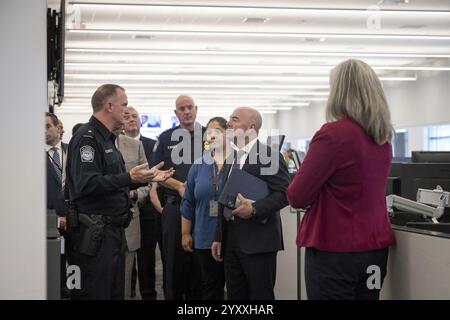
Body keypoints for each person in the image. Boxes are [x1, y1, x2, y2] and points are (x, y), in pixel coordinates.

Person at [286, 59, 395, 300]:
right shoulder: (383, 137)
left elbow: (296, 196)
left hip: (335, 250)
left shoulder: (332, 135)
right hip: (375, 249)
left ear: (339, 92)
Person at [65, 84, 174, 300]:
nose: (127, 110)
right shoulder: (87, 138)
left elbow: (111, 183)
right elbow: (86, 184)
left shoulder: (108, 139)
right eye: (123, 105)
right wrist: (129, 178)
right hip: (95, 235)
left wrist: (143, 179)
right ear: (109, 106)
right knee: (97, 293)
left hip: (113, 232)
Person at [211, 107, 290, 300]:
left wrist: (255, 209)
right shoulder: (231, 157)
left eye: (235, 120)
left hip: (258, 243)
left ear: (251, 127)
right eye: (230, 119)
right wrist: (219, 236)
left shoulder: (269, 155)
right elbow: (224, 199)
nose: (229, 123)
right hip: (231, 243)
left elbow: (284, 194)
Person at [151, 95, 205, 300]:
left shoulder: (210, 136)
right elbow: (155, 172)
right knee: (173, 264)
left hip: (203, 209)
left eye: (190, 107)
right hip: (175, 206)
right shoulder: (165, 138)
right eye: (181, 108)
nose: (186, 111)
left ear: (196, 109)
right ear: (176, 113)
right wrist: (180, 186)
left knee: (202, 264)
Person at [180, 117, 228, 300]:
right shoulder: (199, 165)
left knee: (237, 288)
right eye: (209, 132)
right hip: (204, 236)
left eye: (217, 131)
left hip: (232, 238)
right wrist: (185, 233)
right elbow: (188, 201)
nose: (212, 135)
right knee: (210, 288)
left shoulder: (238, 162)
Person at [123, 106, 162, 300]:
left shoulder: (153, 145)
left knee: (147, 259)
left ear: (141, 121)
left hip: (147, 211)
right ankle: (127, 292)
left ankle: (149, 295)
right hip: (124, 210)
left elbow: (156, 176)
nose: (131, 119)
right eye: (126, 116)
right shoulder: (114, 145)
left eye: (134, 116)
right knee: (125, 259)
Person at [114, 120, 149, 300]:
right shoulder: (92, 143)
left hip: (130, 220)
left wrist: (136, 194)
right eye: (124, 112)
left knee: (126, 278)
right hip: (98, 225)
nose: (125, 118)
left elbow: (148, 183)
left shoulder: (136, 145)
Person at [45, 112, 69, 297]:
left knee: (77, 264)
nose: (43, 131)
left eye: (47, 126)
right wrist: (56, 220)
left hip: (76, 219)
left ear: (57, 127)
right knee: (54, 266)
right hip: (49, 224)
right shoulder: (32, 158)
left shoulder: (72, 151)